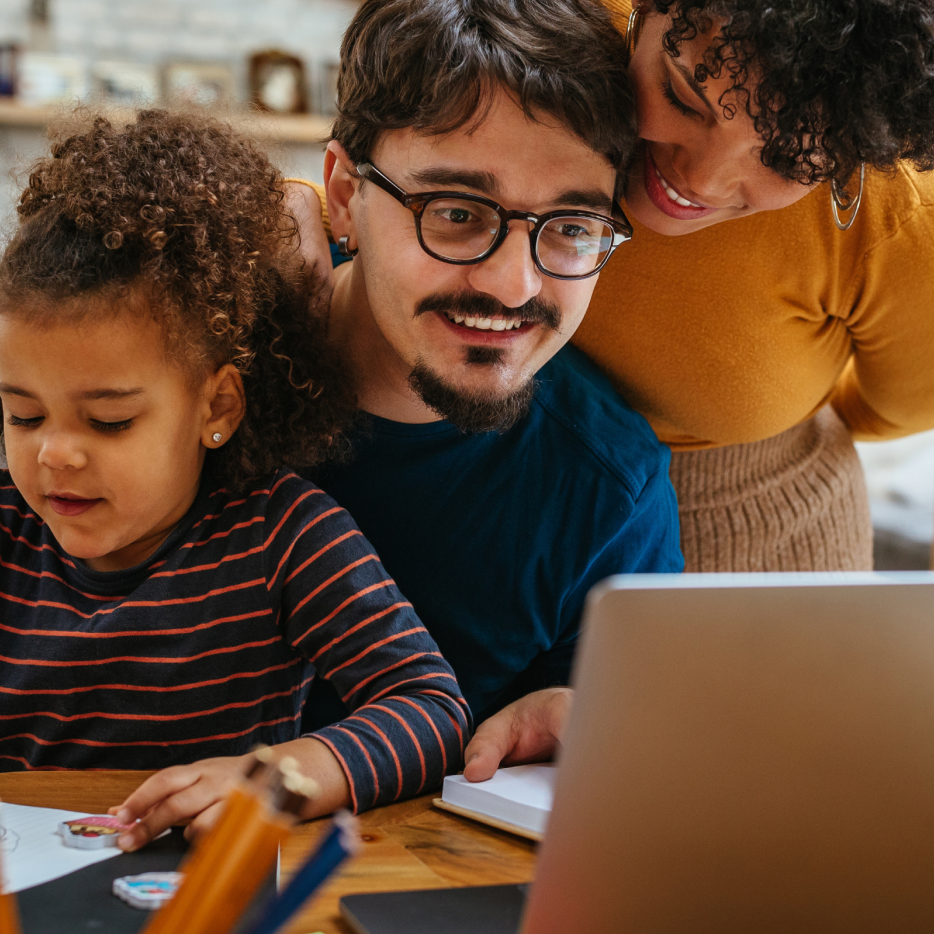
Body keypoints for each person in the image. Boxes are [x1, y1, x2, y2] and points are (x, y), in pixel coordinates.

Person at [0, 109, 470, 849]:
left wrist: (283, 775)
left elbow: (429, 707)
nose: (55, 454)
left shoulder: (281, 535)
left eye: (110, 420)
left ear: (216, 406)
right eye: (23, 417)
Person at [289, 0, 684, 781]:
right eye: (458, 213)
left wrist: (602, 728)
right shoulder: (186, 381)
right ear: (342, 195)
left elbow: (622, 743)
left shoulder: (608, 486)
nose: (514, 284)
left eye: (572, 226)